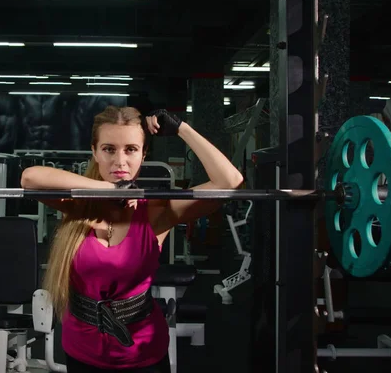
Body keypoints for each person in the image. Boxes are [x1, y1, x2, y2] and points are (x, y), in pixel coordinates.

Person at [20, 106, 243, 372]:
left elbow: (230, 181)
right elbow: (30, 178)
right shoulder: (78, 205)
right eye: (109, 149)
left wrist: (181, 128)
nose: (120, 161)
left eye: (131, 149)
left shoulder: (157, 211)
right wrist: (109, 189)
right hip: (81, 349)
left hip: (142, 352)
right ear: (94, 152)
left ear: (143, 154)